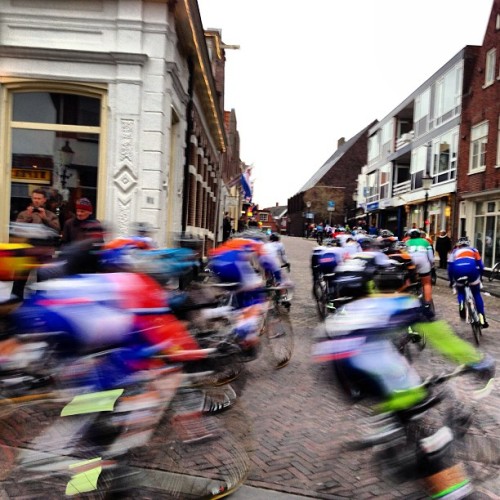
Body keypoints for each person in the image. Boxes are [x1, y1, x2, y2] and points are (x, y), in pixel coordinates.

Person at [448, 237, 488, 328]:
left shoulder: (454, 252)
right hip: (472, 272)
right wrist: (480, 276)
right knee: (476, 293)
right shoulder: (474, 250)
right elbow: (481, 266)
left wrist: (451, 281)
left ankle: (461, 304)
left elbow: (450, 269)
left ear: (459, 245)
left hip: (458, 272)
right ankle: (482, 319)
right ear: (468, 244)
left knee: (461, 291)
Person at [404, 229, 435, 317]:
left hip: (411, 263)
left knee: (408, 281)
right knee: (426, 283)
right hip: (423, 262)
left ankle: (408, 301)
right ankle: (427, 304)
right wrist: (432, 266)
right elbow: (431, 258)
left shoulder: (406, 243)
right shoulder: (426, 242)